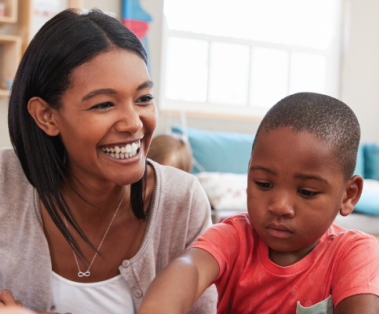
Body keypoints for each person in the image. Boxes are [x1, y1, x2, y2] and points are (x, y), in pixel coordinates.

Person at [0, 9, 216, 314]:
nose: (133, 123)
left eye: (143, 98)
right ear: (47, 116)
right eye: (104, 104)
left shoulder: (183, 201)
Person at [137, 92, 379, 314]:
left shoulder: (354, 254)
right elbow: (190, 267)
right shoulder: (236, 237)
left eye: (306, 192)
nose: (280, 206)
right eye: (264, 184)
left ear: (348, 196)